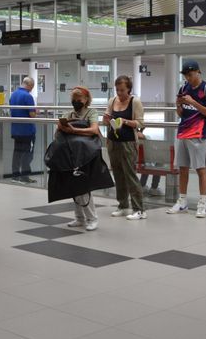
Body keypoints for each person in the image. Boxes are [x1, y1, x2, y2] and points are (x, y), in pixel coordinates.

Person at [167, 59, 206, 218]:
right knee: (182, 168)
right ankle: (182, 202)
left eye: (190, 74)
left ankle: (202, 204)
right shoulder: (184, 87)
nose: (188, 78)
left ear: (198, 71)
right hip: (183, 131)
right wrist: (179, 105)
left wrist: (193, 102)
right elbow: (181, 114)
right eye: (186, 75)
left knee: (200, 168)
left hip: (199, 133)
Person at [58, 86, 103, 230]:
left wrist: (74, 130)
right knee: (74, 185)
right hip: (71, 153)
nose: (76, 102)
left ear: (86, 100)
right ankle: (79, 218)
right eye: (73, 100)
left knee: (83, 187)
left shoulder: (92, 112)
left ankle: (92, 218)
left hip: (87, 154)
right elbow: (59, 131)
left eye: (79, 99)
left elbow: (94, 130)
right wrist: (62, 127)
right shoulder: (69, 113)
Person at [104, 76, 147, 220]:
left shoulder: (135, 102)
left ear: (129, 89)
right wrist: (106, 120)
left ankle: (139, 209)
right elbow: (107, 121)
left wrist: (125, 121)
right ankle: (122, 205)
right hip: (113, 142)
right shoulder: (112, 101)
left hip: (128, 143)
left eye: (122, 90)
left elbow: (140, 123)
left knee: (130, 174)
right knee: (118, 174)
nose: (119, 93)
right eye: (117, 90)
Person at [9, 77, 37, 184]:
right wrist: (36, 112)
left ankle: (15, 176)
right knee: (27, 154)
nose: (31, 89)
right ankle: (25, 177)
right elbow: (32, 115)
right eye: (32, 87)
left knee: (17, 153)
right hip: (27, 131)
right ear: (30, 85)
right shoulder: (28, 96)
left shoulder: (13, 95)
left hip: (16, 130)